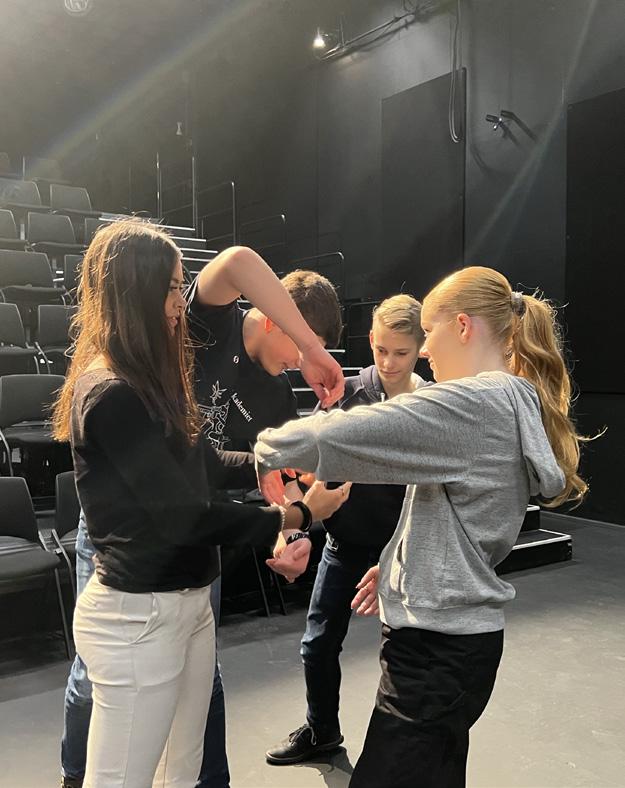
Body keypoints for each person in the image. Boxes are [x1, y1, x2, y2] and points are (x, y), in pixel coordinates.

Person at [255, 266, 588, 788]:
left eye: (429, 332)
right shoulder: (504, 401)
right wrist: (396, 565)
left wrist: (268, 448)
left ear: (463, 326)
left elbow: (353, 434)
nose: (426, 350)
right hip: (455, 645)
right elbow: (447, 513)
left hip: (436, 653)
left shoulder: (474, 403)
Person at [53, 219, 350, 788]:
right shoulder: (126, 382)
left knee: (185, 748)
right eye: (171, 288)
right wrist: (298, 516)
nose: (179, 302)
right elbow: (183, 514)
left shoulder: (159, 378)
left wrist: (280, 499)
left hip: (187, 577)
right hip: (143, 582)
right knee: (113, 743)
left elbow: (212, 464)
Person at [266, 294, 429, 765]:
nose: (389, 362)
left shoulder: (432, 404)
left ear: (421, 347)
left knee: (406, 656)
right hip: (344, 545)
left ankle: (401, 752)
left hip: (406, 550)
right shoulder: (344, 392)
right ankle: (322, 732)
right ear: (371, 340)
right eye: (381, 350)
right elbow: (299, 468)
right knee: (316, 646)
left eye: (401, 352)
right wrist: (292, 529)